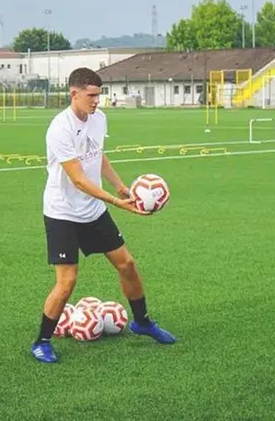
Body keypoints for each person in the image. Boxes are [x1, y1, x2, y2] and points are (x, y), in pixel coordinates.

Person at [31, 67, 176, 364]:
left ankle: (142, 322)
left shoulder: (99, 119)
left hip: (93, 209)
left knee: (128, 265)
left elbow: (98, 155)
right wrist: (115, 202)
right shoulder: (60, 128)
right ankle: (42, 341)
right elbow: (78, 179)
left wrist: (120, 186)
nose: (97, 101)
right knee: (67, 282)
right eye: (92, 95)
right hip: (63, 212)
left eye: (99, 95)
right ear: (74, 94)